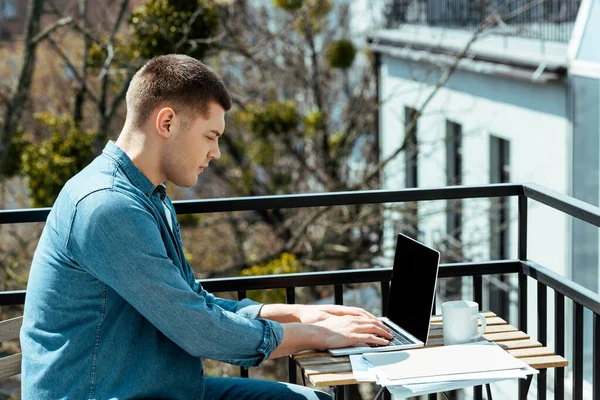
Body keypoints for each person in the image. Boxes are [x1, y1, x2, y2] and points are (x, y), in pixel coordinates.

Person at [20, 54, 392, 400]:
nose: (215, 153)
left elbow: (196, 303)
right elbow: (199, 330)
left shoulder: (148, 195)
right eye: (210, 136)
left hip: (155, 386)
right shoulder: (107, 207)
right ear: (166, 123)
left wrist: (302, 315)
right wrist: (316, 336)